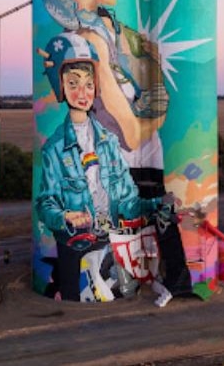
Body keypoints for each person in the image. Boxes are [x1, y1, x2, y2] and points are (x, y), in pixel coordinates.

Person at [37, 0, 192, 296]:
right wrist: (161, 106)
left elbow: (143, 52)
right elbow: (132, 131)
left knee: (138, 236)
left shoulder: (102, 24)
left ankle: (151, 281)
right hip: (126, 164)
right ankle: (167, 284)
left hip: (124, 167)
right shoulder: (89, 40)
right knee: (143, 228)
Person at [35, 32, 172, 305]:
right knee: (74, 304)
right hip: (75, 242)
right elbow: (45, 203)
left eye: (88, 84)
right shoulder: (53, 148)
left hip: (109, 238)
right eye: (73, 84)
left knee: (120, 295)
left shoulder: (109, 141)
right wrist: (65, 217)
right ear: (60, 86)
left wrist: (155, 204)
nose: (82, 93)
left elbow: (126, 196)